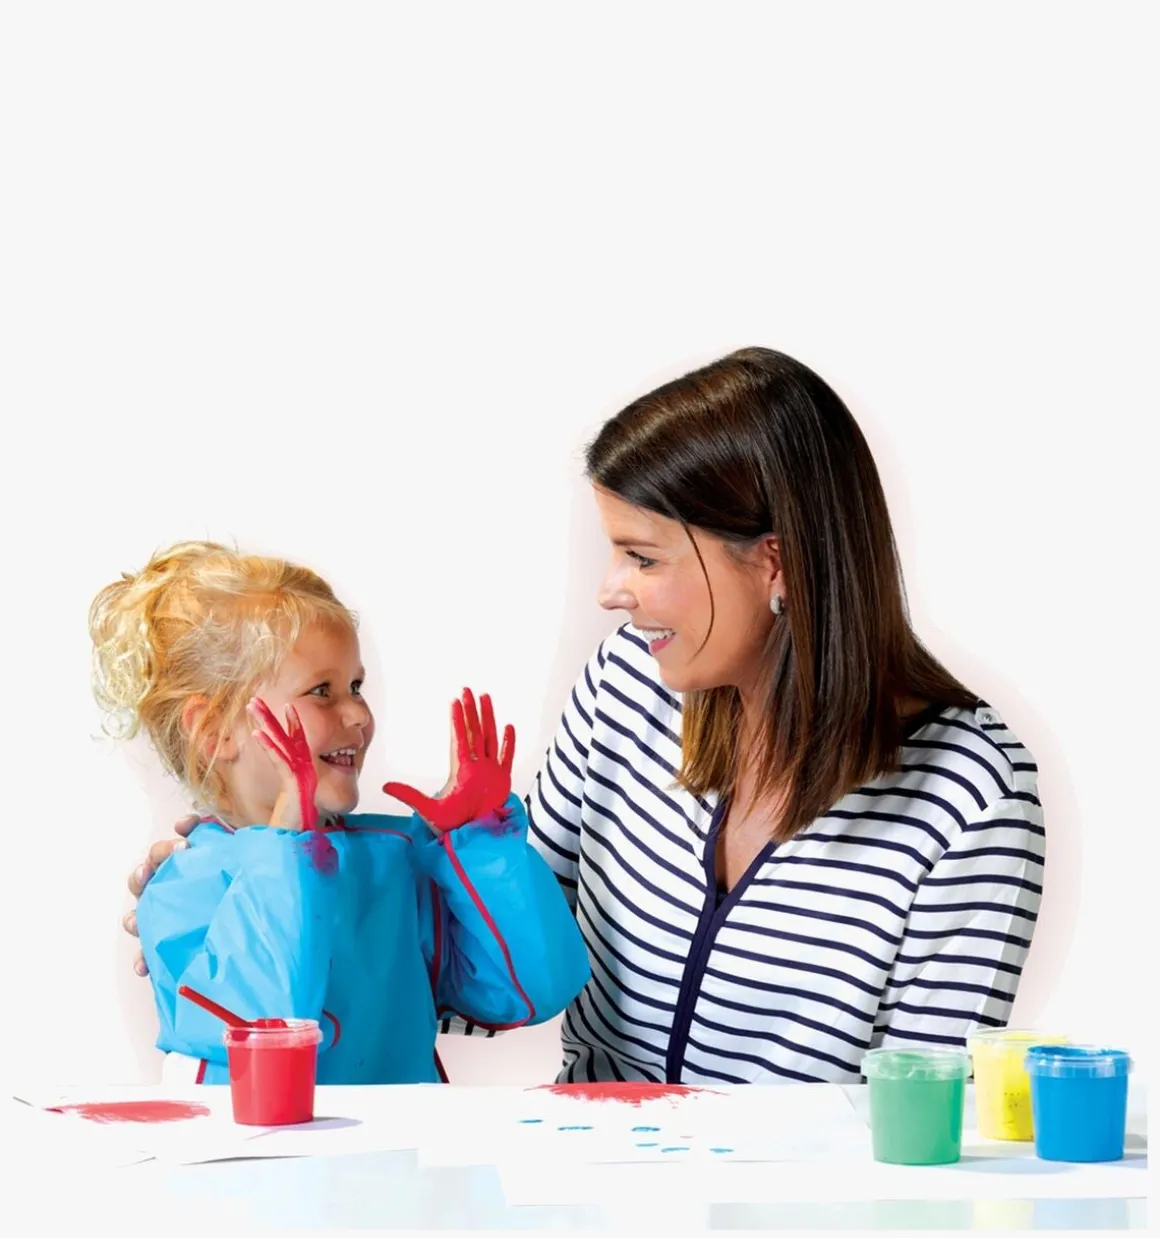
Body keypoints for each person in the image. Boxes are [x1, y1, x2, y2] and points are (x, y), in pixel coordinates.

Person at [127, 350, 1045, 1086]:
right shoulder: (628, 685)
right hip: (587, 1185)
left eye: (643, 557)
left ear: (775, 562)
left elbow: (926, 1114)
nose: (611, 592)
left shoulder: (969, 792)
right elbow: (491, 976)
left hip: (796, 1220)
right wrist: (262, 884)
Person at [94, 540, 588, 1084]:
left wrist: (479, 844)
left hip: (407, 1141)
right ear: (215, 732)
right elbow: (263, 1027)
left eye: (355, 686)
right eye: (322, 691)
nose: (356, 712)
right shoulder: (181, 888)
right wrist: (286, 848)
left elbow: (531, 991)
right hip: (250, 1143)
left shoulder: (393, 862)